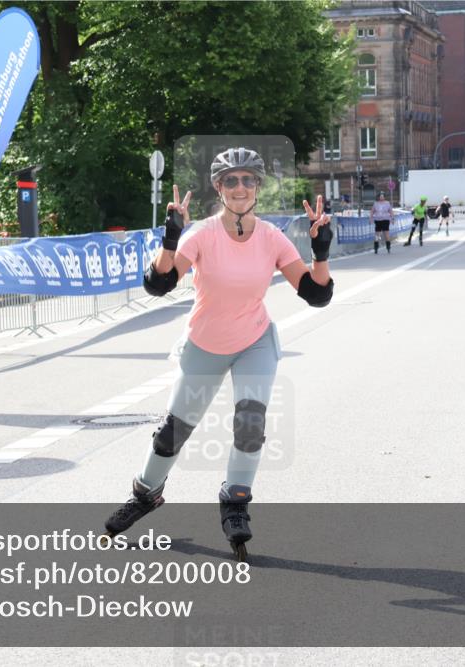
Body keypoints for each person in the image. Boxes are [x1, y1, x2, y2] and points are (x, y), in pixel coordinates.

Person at [104, 147, 334, 561]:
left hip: (255, 342)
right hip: (205, 345)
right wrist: (171, 238)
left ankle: (235, 501)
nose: (240, 187)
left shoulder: (271, 237)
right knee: (173, 433)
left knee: (250, 422)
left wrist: (321, 253)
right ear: (219, 187)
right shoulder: (203, 234)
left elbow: (316, 294)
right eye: (232, 180)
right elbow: (159, 284)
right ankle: (146, 493)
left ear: (258, 187)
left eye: (248, 180)